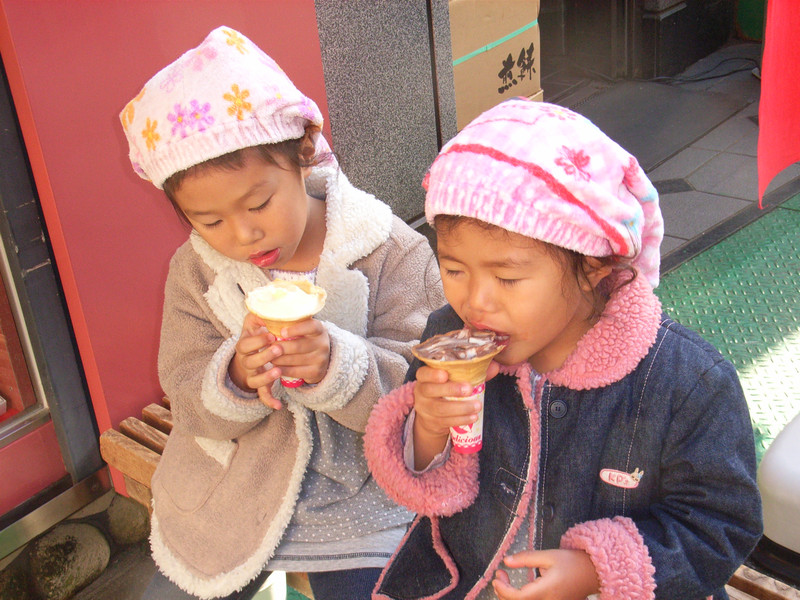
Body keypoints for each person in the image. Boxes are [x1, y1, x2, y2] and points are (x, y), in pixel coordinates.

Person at [364, 98, 763, 600]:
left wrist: (598, 570)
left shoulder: (688, 384)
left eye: (507, 277)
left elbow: (720, 525)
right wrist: (427, 427)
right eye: (455, 269)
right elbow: (421, 480)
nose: (475, 301)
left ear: (594, 266)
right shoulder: (449, 338)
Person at [119, 26, 445, 600]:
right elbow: (186, 388)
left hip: (362, 500)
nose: (242, 235)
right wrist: (235, 377)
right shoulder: (196, 273)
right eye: (210, 221)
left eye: (259, 203)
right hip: (235, 488)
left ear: (303, 152)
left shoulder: (390, 250)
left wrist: (336, 366)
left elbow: (426, 391)